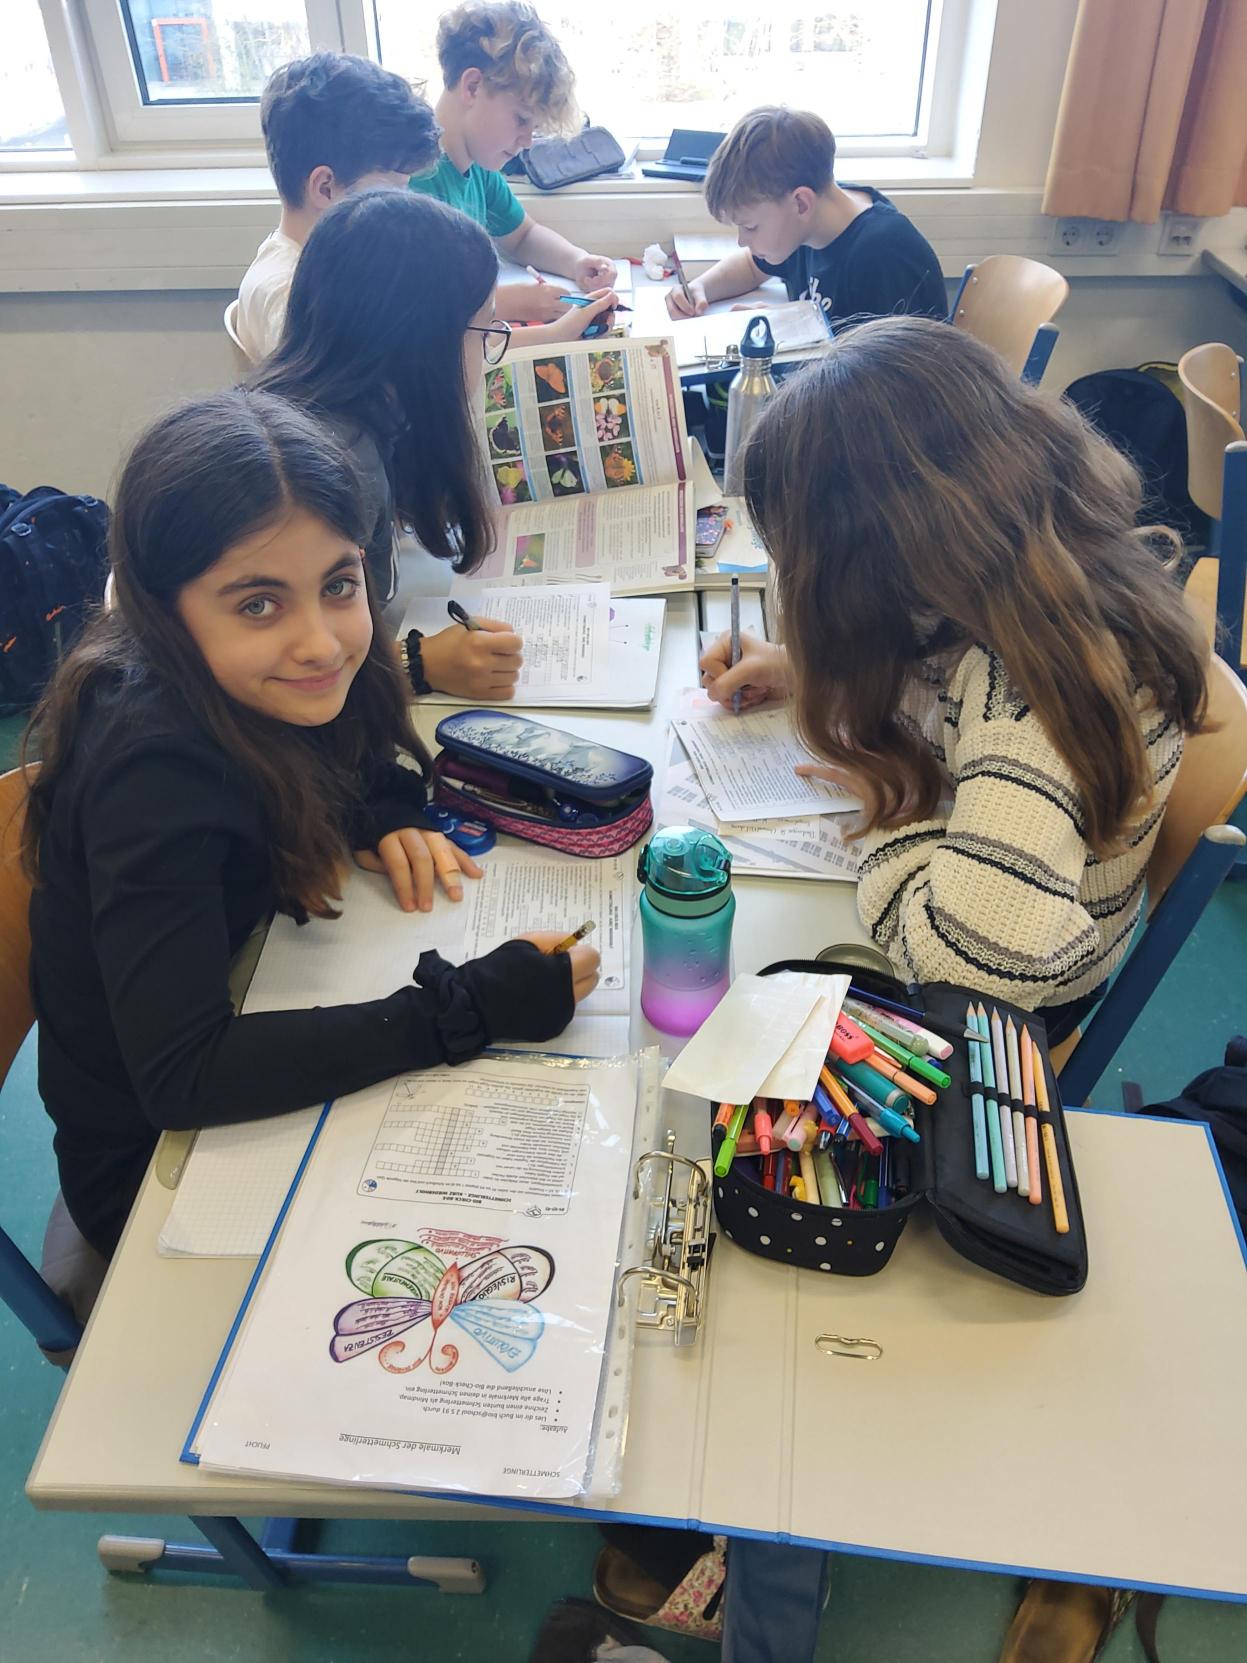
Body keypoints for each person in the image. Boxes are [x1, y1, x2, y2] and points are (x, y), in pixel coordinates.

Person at [22, 389, 600, 1262]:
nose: (323, 642)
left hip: (248, 999)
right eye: (258, 603)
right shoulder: (152, 768)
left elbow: (348, 752)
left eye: (338, 585)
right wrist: (467, 1007)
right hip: (148, 1171)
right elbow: (183, 1074)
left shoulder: (258, 682)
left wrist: (382, 810)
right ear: (163, 609)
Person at [699, 316, 1208, 1041]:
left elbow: (967, 975)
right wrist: (803, 668)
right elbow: (936, 664)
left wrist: (890, 810)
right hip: (1006, 869)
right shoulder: (1018, 564)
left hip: (1013, 997)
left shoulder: (1029, 699)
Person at [253, 188, 521, 698]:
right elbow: (301, 668)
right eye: (484, 329)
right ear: (424, 343)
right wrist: (419, 664)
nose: (489, 347)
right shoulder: (332, 468)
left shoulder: (351, 414)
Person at [412, 2, 619, 339]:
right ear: (473, 87)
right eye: (521, 119)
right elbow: (422, 310)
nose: (527, 141)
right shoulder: (412, 181)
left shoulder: (479, 168)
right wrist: (506, 303)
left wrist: (576, 261)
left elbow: (523, 235)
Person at [236, 53, 440, 362]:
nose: (403, 205)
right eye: (392, 192)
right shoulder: (290, 299)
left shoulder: (323, 271)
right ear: (325, 188)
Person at [666, 106, 946, 331]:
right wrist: (700, 288)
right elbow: (752, 266)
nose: (742, 240)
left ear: (801, 203)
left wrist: (791, 329)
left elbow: (882, 375)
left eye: (750, 227)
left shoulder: (884, 255)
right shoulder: (810, 223)